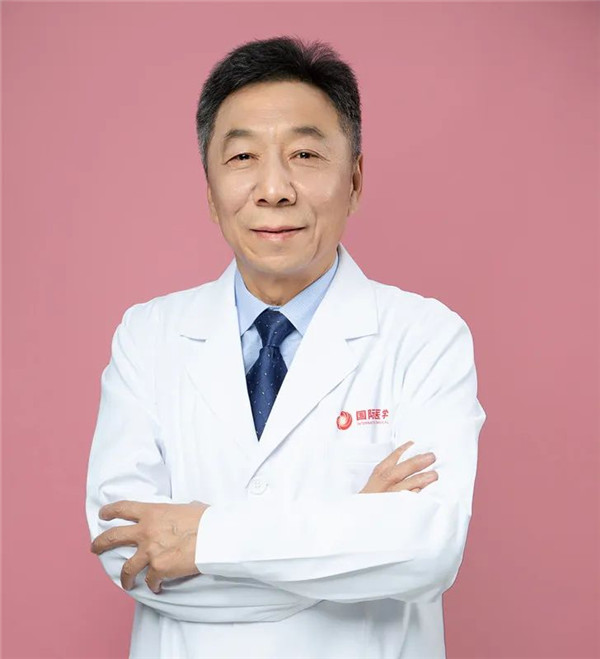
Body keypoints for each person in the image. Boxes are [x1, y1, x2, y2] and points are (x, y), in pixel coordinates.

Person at [86, 35, 487, 659]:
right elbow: (127, 552)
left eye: (304, 154)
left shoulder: (425, 337)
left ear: (355, 180)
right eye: (242, 156)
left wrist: (202, 538)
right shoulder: (148, 336)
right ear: (210, 190)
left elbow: (426, 547)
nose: (273, 188)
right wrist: (352, 534)